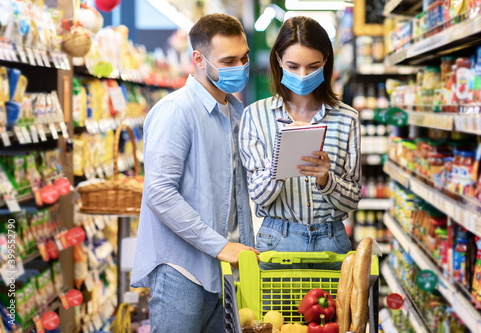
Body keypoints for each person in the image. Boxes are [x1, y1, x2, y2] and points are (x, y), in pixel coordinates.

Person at [131, 14, 259, 333]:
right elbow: (159, 192)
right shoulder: (176, 111)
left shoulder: (237, 112)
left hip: (224, 268)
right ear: (198, 60)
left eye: (243, 58)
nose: (240, 67)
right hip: (182, 270)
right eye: (228, 60)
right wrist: (219, 245)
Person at [239, 16, 361, 261]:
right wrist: (281, 163)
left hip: (332, 241)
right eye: (293, 66)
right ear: (279, 60)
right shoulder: (255, 115)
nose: (303, 75)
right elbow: (258, 196)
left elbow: (353, 200)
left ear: (326, 61)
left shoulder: (347, 118)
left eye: (313, 66)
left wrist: (326, 179)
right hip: (277, 240)